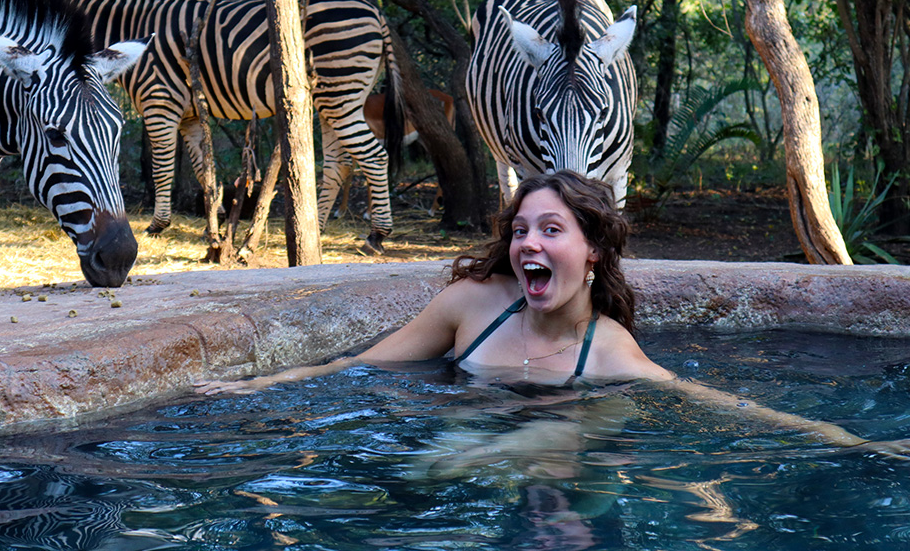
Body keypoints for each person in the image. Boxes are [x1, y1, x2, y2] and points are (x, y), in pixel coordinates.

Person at [196, 170, 910, 459]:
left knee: (569, 433)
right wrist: (248, 389)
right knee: (444, 460)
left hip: (547, 457)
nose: (528, 243)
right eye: (520, 231)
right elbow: (357, 368)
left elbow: (717, 404)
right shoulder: (472, 306)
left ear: (592, 250)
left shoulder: (609, 351)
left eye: (550, 230)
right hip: (461, 440)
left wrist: (856, 441)